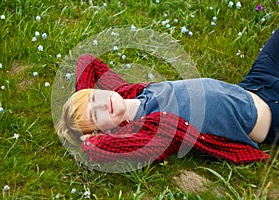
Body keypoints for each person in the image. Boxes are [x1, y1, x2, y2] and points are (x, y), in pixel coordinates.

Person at [56, 29, 279, 165]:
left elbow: (87, 61)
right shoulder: (150, 130)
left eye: (96, 98)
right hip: (271, 116)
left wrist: (83, 98)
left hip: (257, 83)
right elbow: (98, 149)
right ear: (102, 131)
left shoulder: (128, 93)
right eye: (96, 115)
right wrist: (91, 141)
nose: (104, 104)